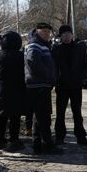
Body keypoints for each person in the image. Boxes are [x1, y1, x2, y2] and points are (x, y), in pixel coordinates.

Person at [52, 25, 87, 146]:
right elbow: (52, 67)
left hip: (76, 86)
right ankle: (59, 137)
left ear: (72, 34)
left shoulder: (79, 48)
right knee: (60, 113)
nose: (67, 36)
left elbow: (86, 66)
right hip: (61, 86)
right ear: (61, 36)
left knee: (77, 113)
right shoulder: (56, 49)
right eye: (64, 34)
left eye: (68, 33)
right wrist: (56, 79)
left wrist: (81, 77)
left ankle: (80, 137)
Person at [25, 23, 60, 155]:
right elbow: (33, 63)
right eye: (44, 31)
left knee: (42, 116)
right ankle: (43, 144)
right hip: (38, 85)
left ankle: (40, 144)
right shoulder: (35, 45)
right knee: (42, 116)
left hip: (41, 85)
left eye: (48, 31)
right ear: (37, 31)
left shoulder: (42, 45)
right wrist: (47, 77)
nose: (47, 34)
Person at [0, 32, 26, 152]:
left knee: (1, 116)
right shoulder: (22, 56)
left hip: (0, 90)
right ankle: (14, 140)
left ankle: (0, 140)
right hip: (18, 89)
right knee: (15, 117)